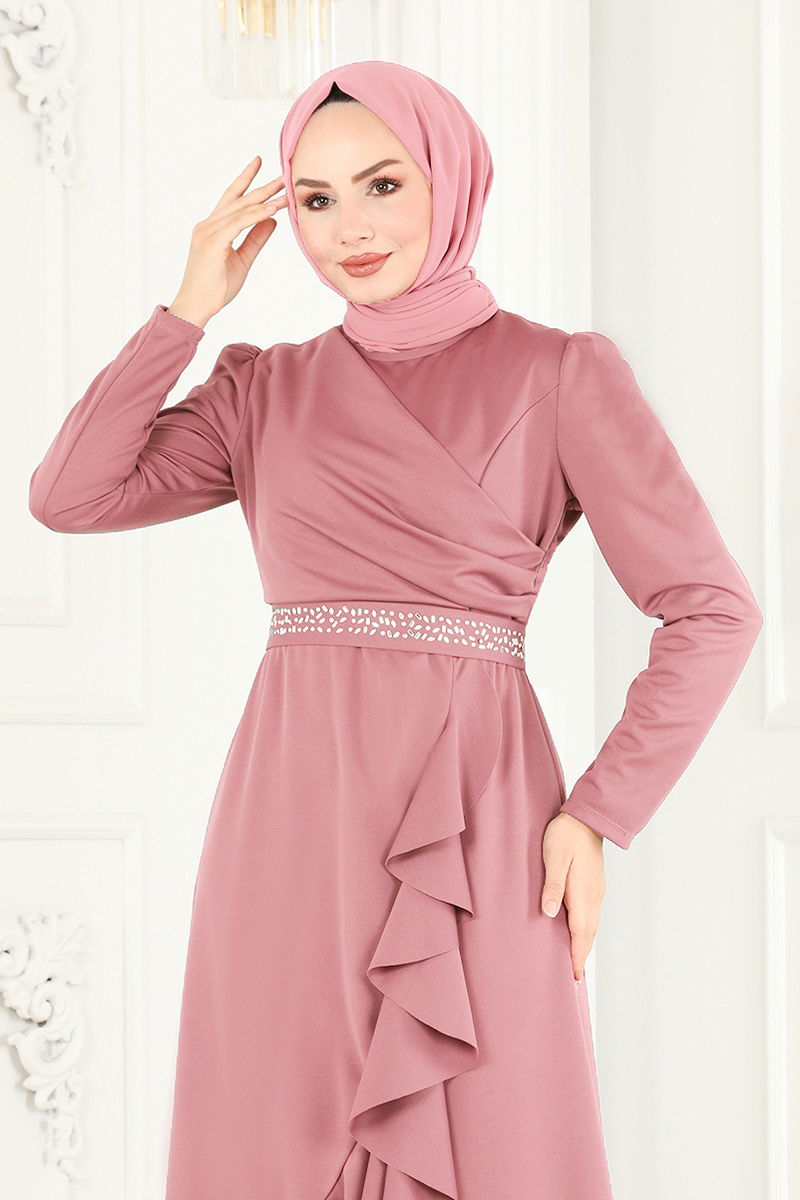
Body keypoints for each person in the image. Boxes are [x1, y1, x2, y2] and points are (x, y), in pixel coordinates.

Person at [28, 59, 763, 1200]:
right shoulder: (262, 391)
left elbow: (711, 609)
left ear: (450, 180)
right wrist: (186, 310)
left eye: (382, 184)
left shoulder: (558, 375)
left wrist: (598, 814)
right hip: (288, 827)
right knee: (270, 1137)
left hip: (476, 822)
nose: (349, 230)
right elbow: (70, 495)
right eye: (315, 199)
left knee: (486, 1130)